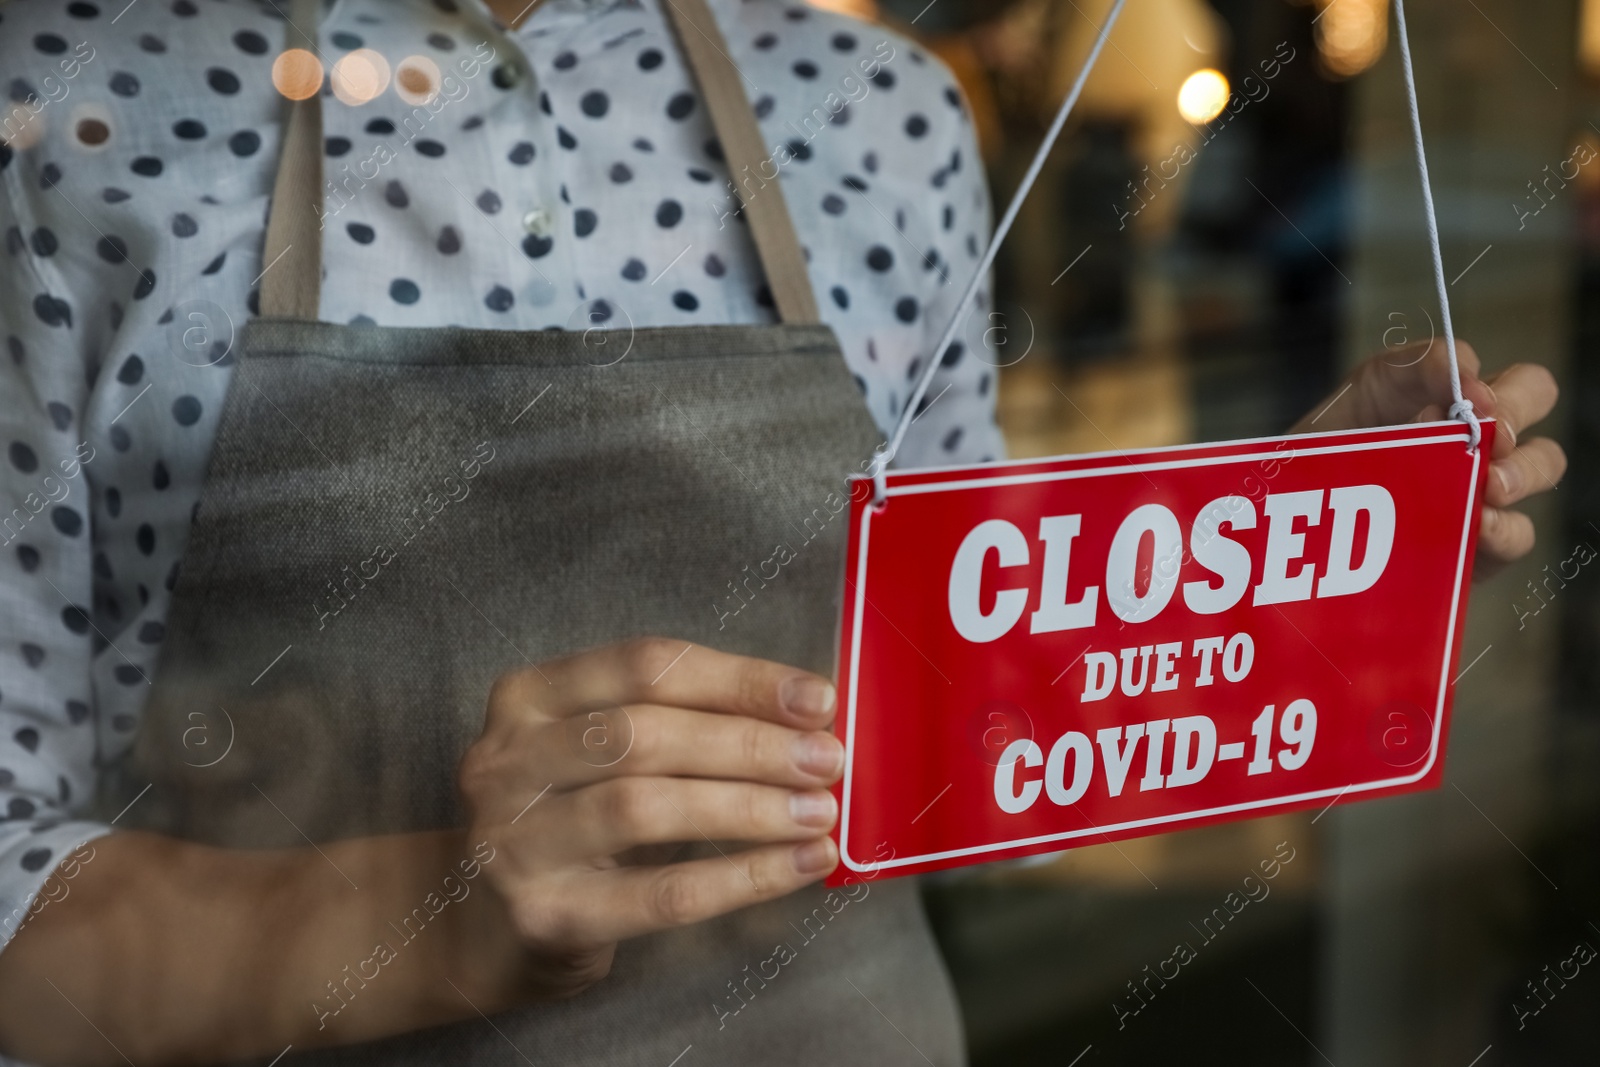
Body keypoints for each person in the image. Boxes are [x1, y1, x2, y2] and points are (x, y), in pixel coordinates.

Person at [0, 0, 1564, 1065]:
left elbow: (966, 712)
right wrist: (434, 920)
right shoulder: (68, 106)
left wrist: (1291, 536)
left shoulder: (873, 115)